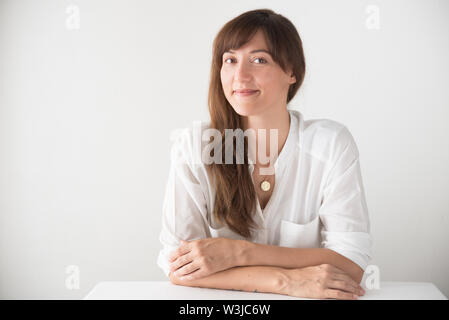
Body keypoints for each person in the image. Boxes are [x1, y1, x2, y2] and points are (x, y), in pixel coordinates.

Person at [157, 8, 372, 300]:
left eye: (259, 60)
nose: (240, 75)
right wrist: (284, 281)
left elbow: (352, 263)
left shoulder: (331, 144)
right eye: (230, 60)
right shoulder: (196, 146)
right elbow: (178, 265)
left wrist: (239, 253)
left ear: (292, 72)